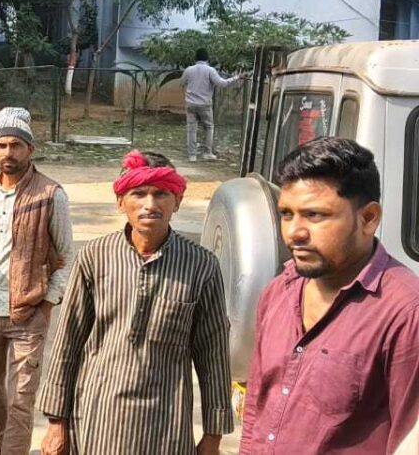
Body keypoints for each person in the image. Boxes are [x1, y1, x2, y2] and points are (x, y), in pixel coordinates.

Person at [37, 150, 233, 455]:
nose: (150, 204)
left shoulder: (201, 266)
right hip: (96, 420)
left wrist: (213, 435)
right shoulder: (95, 257)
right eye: (138, 194)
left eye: (161, 194)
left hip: (165, 427)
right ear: (120, 202)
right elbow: (68, 342)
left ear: (178, 201)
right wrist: (56, 422)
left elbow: (213, 354)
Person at [240, 137, 419, 454]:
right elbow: (257, 404)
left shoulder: (405, 313)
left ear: (368, 218)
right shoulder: (278, 292)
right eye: (286, 214)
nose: (294, 232)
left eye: (315, 215)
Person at [0, 107, 74, 455]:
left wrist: (47, 304)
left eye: (16, 145)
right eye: (2, 145)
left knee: (21, 399)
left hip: (29, 311)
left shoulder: (51, 194)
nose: (8, 153)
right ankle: (7, 441)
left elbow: (66, 256)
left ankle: (12, 449)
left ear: (30, 149)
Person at [181, 48, 241, 162]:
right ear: (207, 58)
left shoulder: (189, 70)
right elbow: (222, 83)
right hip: (204, 104)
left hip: (190, 103)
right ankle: (207, 152)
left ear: (195, 58)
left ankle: (192, 155)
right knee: (209, 127)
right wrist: (236, 77)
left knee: (191, 129)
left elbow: (182, 82)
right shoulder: (210, 70)